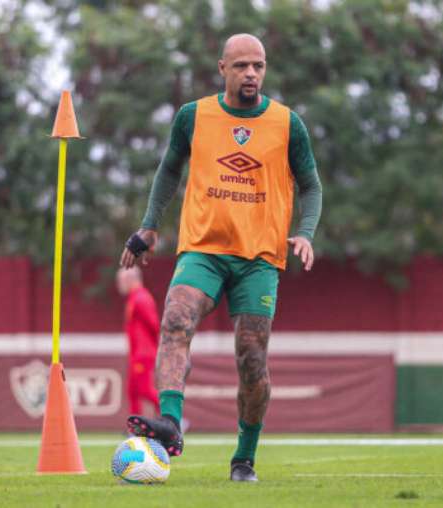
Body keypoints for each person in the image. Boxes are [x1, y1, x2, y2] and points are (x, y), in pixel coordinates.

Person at [119, 33, 322, 482]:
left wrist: (304, 232)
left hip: (259, 259)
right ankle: (170, 421)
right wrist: (150, 224)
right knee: (175, 319)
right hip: (203, 249)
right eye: (242, 66)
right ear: (222, 68)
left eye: (259, 66)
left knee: (251, 356)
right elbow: (169, 168)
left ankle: (244, 456)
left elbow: (310, 184)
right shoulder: (194, 116)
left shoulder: (289, 124)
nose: (252, 73)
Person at [116, 266, 160, 418]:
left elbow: (154, 325)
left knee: (144, 390)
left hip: (143, 353)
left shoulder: (141, 298)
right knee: (133, 391)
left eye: (121, 281)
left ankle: (173, 419)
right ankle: (135, 427)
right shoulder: (134, 298)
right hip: (136, 353)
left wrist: (151, 349)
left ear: (130, 279)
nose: (119, 285)